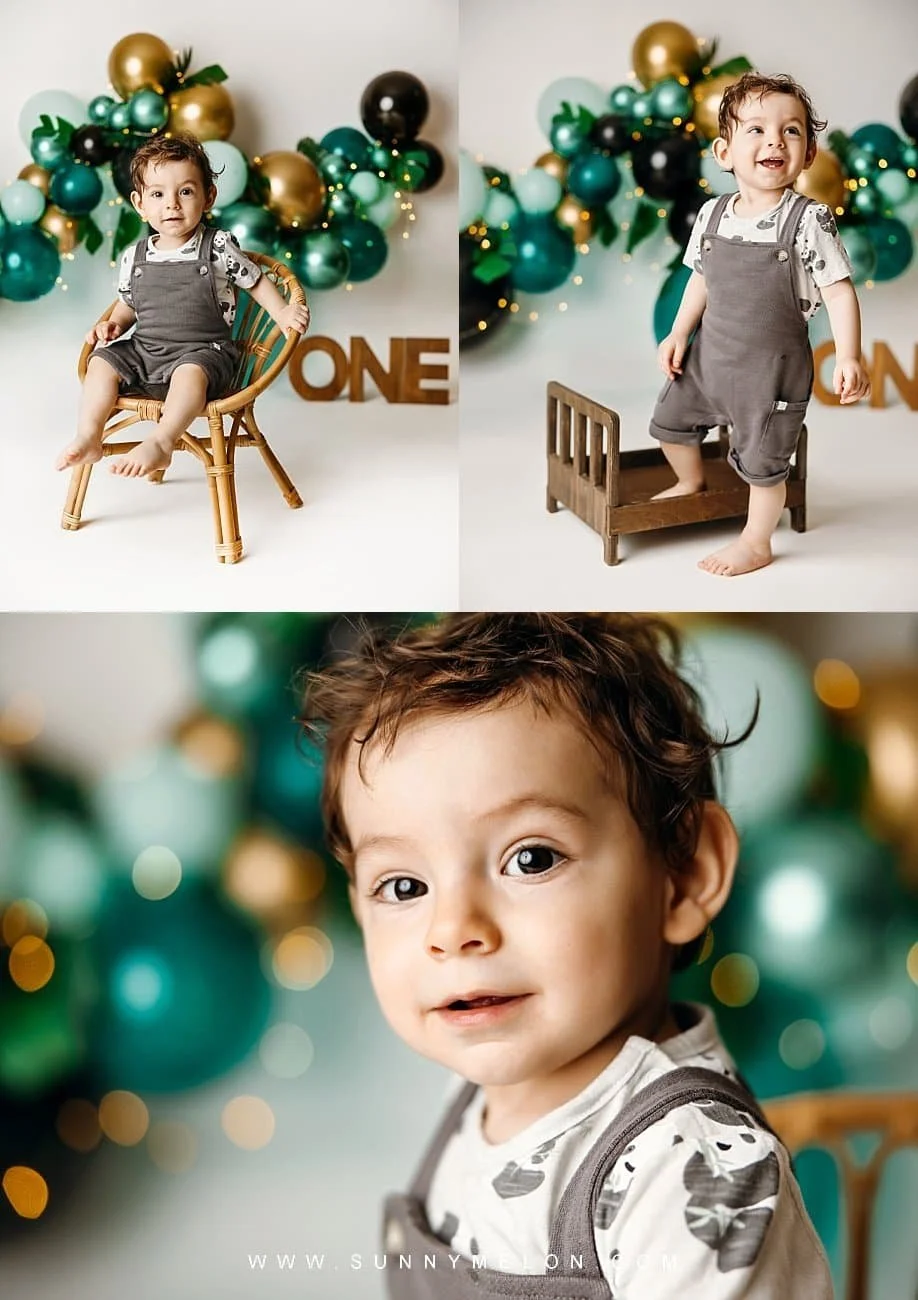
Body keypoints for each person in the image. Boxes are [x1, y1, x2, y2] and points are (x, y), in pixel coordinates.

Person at [300, 613, 833, 1299]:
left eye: (531, 858)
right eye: (404, 886)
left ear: (686, 874)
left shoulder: (689, 1169)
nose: (454, 929)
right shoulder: (474, 1099)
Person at [650, 71, 870, 577]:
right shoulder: (712, 214)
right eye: (756, 129)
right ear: (724, 152)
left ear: (808, 154)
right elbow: (700, 280)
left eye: (791, 131)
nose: (775, 139)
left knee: (765, 463)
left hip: (771, 371)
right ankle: (689, 482)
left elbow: (838, 290)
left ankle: (755, 541)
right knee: (670, 422)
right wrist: (680, 332)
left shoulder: (808, 220)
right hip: (711, 358)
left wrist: (850, 354)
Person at [56, 133, 310, 479]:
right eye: (158, 194)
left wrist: (280, 311)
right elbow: (129, 302)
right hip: (147, 352)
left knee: (189, 372)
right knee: (102, 361)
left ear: (209, 197)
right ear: (140, 203)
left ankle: (161, 441)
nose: (172, 204)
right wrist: (113, 324)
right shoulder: (136, 255)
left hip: (204, 353)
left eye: (186, 192)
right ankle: (89, 435)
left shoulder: (217, 245)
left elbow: (255, 280)